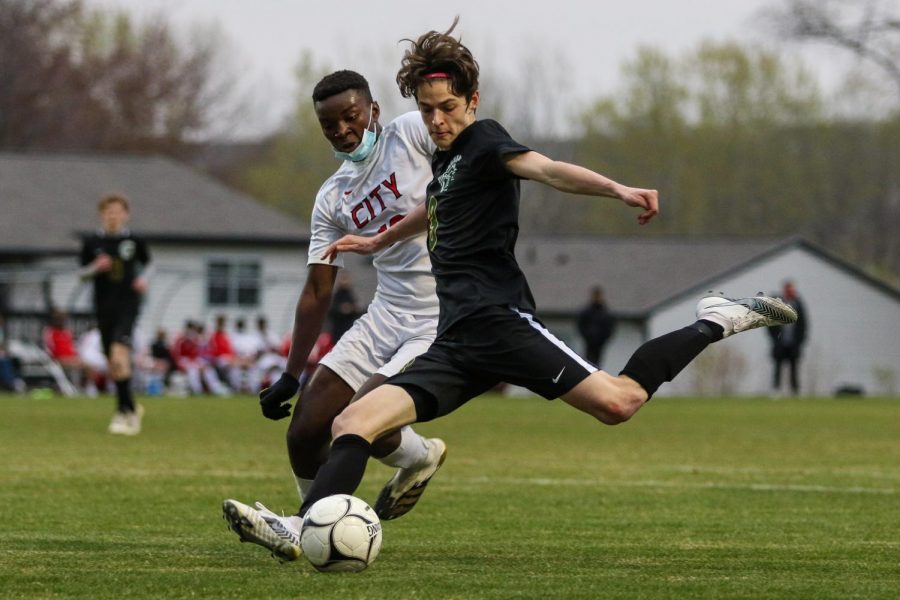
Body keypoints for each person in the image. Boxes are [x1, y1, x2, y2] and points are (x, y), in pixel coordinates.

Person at [293, 21, 798, 539]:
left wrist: (618, 189)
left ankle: (714, 320)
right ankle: (305, 525)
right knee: (352, 423)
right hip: (455, 340)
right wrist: (379, 241)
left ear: (472, 100)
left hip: (501, 325)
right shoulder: (444, 161)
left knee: (619, 403)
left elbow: (550, 170)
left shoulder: (485, 142)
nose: (436, 120)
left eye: (447, 107)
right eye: (426, 110)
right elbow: (435, 207)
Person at [222, 70, 447, 562]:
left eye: (351, 116)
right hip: (386, 314)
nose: (343, 129)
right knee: (305, 430)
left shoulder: (412, 132)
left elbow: (464, 174)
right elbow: (317, 288)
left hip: (443, 316)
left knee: (358, 418)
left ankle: (301, 528)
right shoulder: (332, 197)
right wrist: (290, 373)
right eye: (330, 125)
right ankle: (410, 461)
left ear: (374, 111)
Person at [79, 193, 151, 435]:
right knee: (114, 362)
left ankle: (123, 412)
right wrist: (94, 268)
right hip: (103, 308)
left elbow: (150, 264)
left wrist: (143, 278)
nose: (114, 216)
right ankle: (129, 407)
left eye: (118, 211)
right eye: (109, 212)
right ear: (102, 215)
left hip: (128, 306)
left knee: (120, 356)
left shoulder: (134, 241)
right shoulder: (92, 243)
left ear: (125, 215)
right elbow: (80, 273)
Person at [767, 280, 808, 396]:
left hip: (793, 343)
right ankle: (776, 390)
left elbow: (803, 324)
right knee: (778, 366)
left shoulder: (798, 304)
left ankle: (795, 390)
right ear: (784, 291)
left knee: (794, 367)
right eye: (789, 290)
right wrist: (775, 339)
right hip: (780, 343)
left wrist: (800, 341)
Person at [577, 286, 615, 368]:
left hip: (600, 343)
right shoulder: (587, 312)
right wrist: (587, 336)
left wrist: (604, 338)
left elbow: (610, 327)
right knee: (588, 362)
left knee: (598, 363)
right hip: (589, 342)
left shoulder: (605, 312)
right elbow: (581, 325)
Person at [326, 271, 360, 341]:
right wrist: (342, 310)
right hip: (338, 332)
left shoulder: (350, 294)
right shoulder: (337, 295)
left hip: (350, 331)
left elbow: (357, 310)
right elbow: (331, 311)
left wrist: (352, 308)